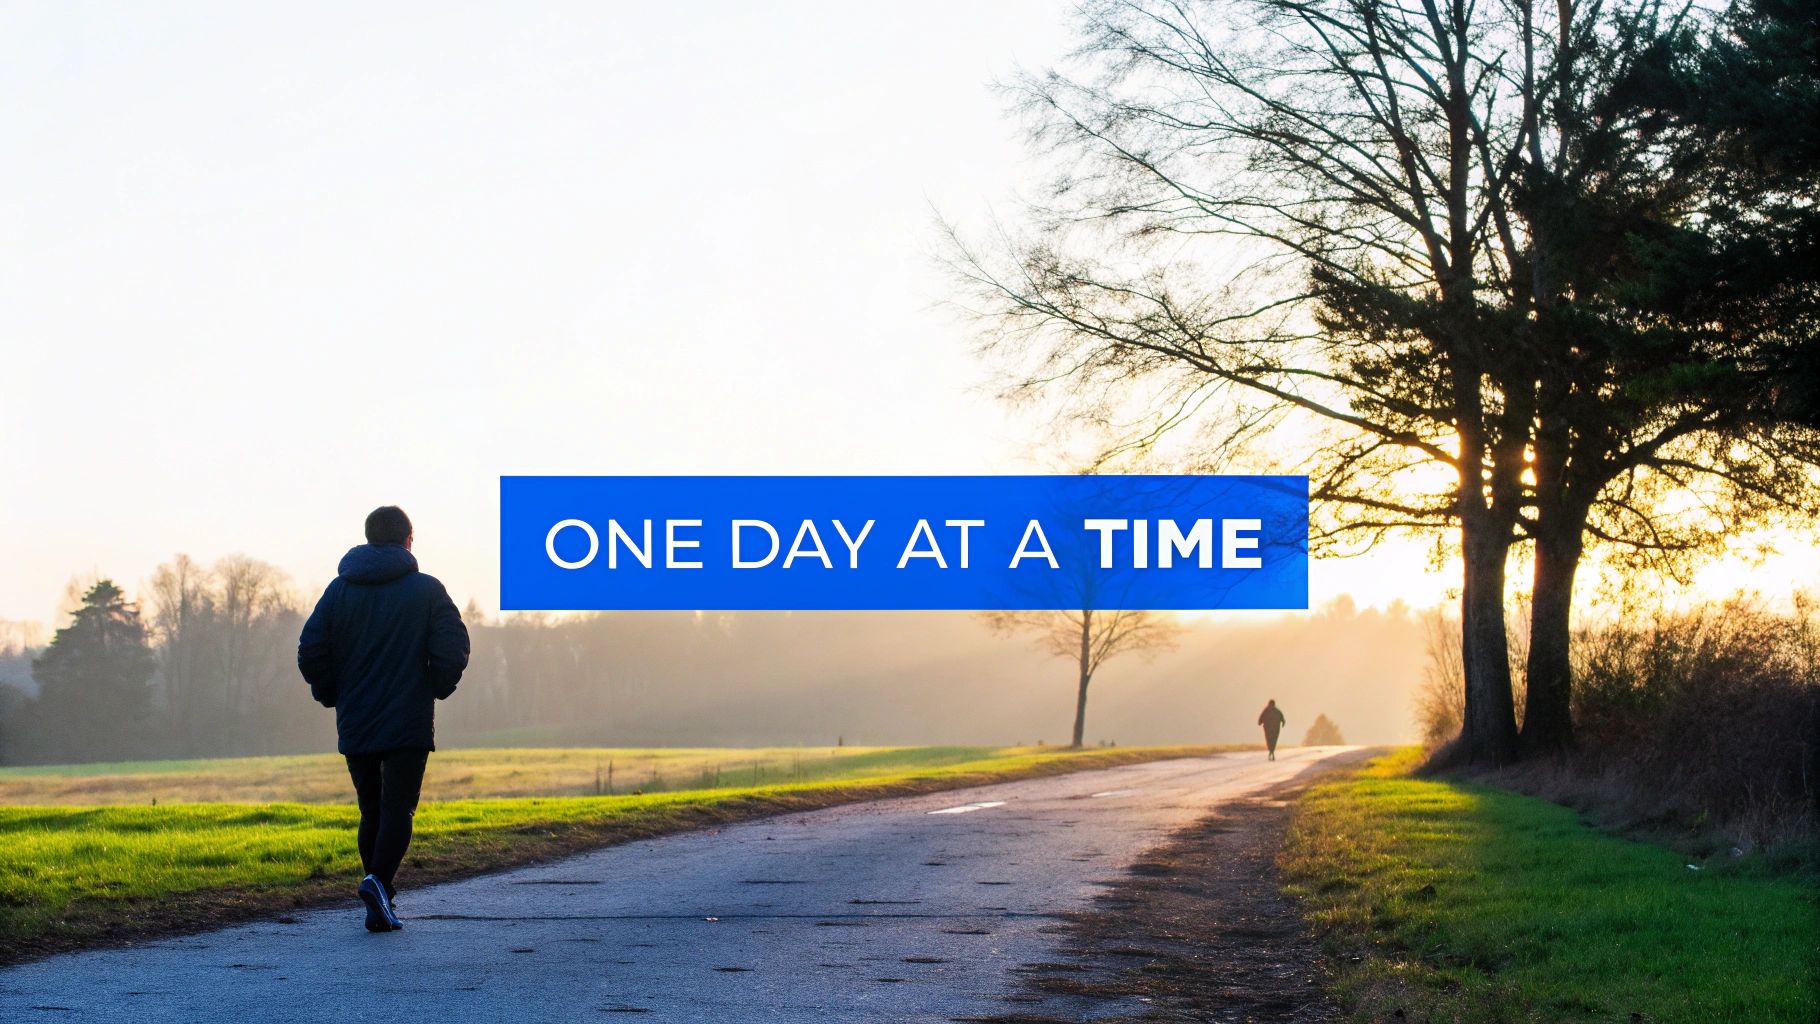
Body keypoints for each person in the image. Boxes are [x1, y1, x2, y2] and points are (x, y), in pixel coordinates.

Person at [298, 506, 469, 933]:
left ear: (369, 539)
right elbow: (454, 646)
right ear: (409, 541)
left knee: (370, 809)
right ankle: (378, 884)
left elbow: (310, 650)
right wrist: (436, 686)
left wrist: (331, 693)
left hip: (356, 717)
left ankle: (380, 898)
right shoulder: (427, 590)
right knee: (398, 808)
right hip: (408, 718)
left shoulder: (338, 591)